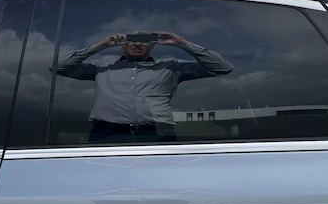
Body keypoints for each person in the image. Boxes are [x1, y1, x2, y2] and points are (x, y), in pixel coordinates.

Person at [56, 31, 233, 142]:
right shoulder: (102, 66)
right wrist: (100, 45)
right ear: (121, 46)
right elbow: (59, 67)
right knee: (103, 184)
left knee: (161, 184)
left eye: (144, 40)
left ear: (153, 45)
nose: (137, 43)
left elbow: (222, 68)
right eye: (131, 40)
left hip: (158, 133)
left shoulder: (171, 66)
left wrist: (182, 43)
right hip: (107, 133)